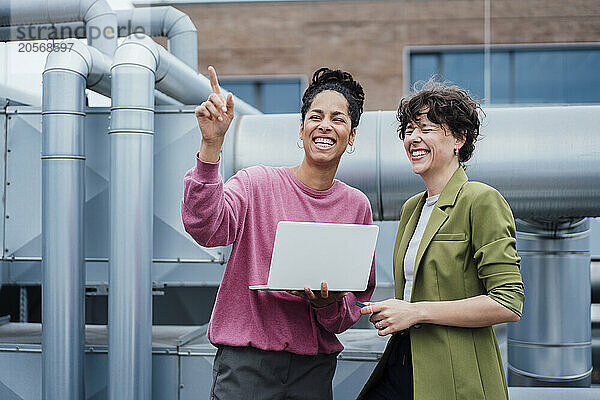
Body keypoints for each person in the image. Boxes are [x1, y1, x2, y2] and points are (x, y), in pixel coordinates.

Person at [182, 66, 376, 400]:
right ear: (301, 130)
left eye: (338, 118)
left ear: (352, 135)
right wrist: (211, 145)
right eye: (316, 116)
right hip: (246, 367)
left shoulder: (356, 206)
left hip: (313, 371)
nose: (325, 126)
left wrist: (328, 306)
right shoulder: (256, 183)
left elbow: (352, 308)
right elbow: (206, 228)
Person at [357, 81, 524, 400]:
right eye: (408, 129)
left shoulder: (481, 200)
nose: (413, 138)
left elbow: (507, 303)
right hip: (402, 362)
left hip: (455, 375)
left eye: (426, 128)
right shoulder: (411, 208)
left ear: (459, 138)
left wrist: (416, 311)